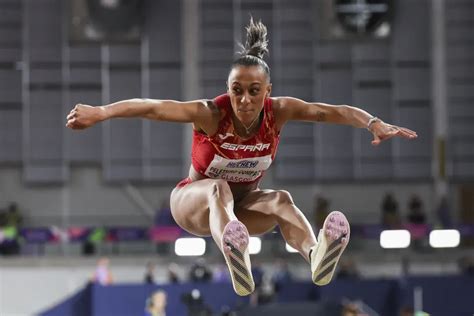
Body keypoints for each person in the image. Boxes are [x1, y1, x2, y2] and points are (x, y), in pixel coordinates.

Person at [66, 18, 417, 296]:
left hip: (243, 206)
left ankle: (316, 255)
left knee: (282, 199)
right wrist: (101, 112)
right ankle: (237, 256)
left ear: (268, 91)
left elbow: (333, 111)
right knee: (217, 187)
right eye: (236, 91)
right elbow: (155, 108)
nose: (244, 100)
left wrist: (372, 122)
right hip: (193, 203)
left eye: (253, 92)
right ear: (228, 90)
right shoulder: (211, 113)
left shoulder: (278, 112)